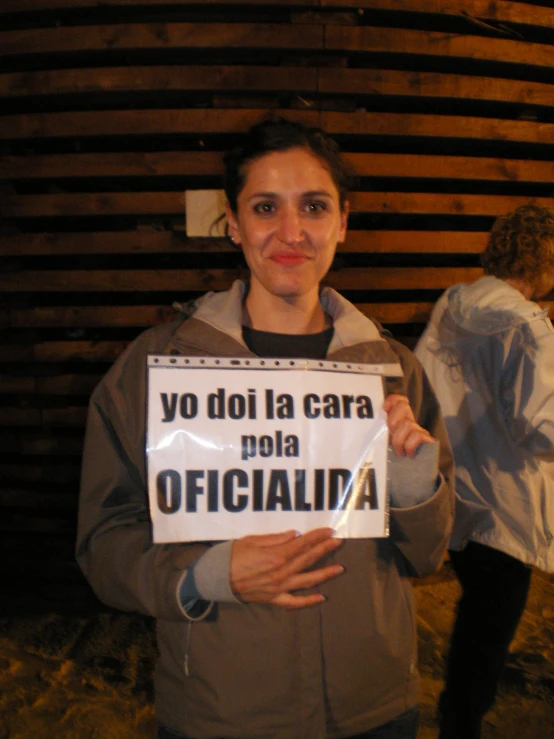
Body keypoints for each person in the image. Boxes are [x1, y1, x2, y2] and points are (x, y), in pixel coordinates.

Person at [77, 117, 454, 739]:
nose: (291, 232)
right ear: (233, 222)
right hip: (222, 711)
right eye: (264, 207)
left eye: (313, 206)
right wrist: (200, 579)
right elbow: (102, 544)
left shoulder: (390, 368)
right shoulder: (155, 368)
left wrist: (414, 492)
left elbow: (427, 555)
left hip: (374, 706)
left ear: (343, 221)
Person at [415, 204, 554, 739]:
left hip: (459, 493)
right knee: (489, 632)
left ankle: (458, 715)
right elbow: (541, 425)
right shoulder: (527, 325)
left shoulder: (454, 304)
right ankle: (462, 725)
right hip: (506, 502)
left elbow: (428, 382)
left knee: (476, 616)